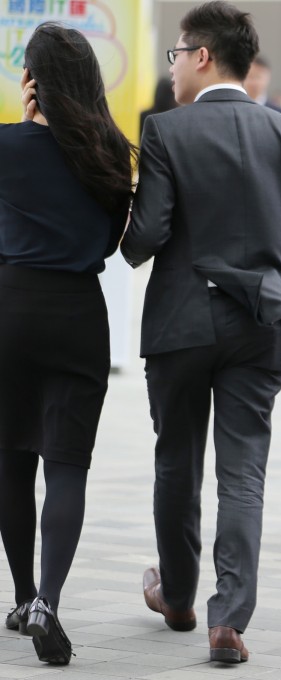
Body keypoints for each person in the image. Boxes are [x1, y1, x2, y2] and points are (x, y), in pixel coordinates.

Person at [121, 1, 281, 663]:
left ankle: (179, 597)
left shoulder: (165, 131)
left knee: (176, 463)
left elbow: (147, 238)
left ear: (202, 55)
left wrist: (120, 232)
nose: (174, 66)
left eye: (177, 53)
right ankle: (228, 620)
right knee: (244, 473)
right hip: (264, 324)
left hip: (182, 321)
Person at [0, 23, 135, 665]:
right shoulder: (112, 156)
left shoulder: (5, 148)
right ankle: (49, 600)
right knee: (66, 464)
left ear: (32, 82)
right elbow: (109, 244)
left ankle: (23, 594)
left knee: (11, 457)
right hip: (80, 314)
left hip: (11, 309)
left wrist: (30, 127)